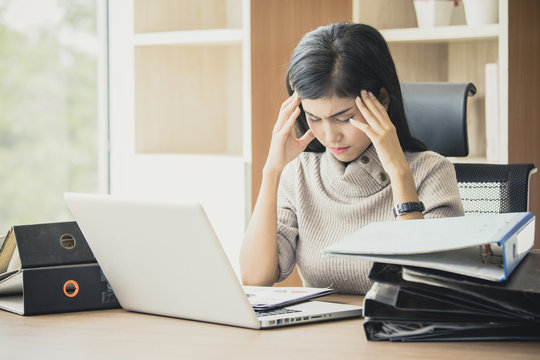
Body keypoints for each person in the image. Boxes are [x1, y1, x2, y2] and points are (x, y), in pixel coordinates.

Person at [240, 23, 464, 294]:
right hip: (321, 335)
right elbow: (255, 278)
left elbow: (424, 286)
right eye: (314, 118)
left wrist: (399, 173)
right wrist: (272, 172)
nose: (330, 135)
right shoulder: (299, 174)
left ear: (381, 100)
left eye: (344, 118)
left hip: (397, 332)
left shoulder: (432, 171)